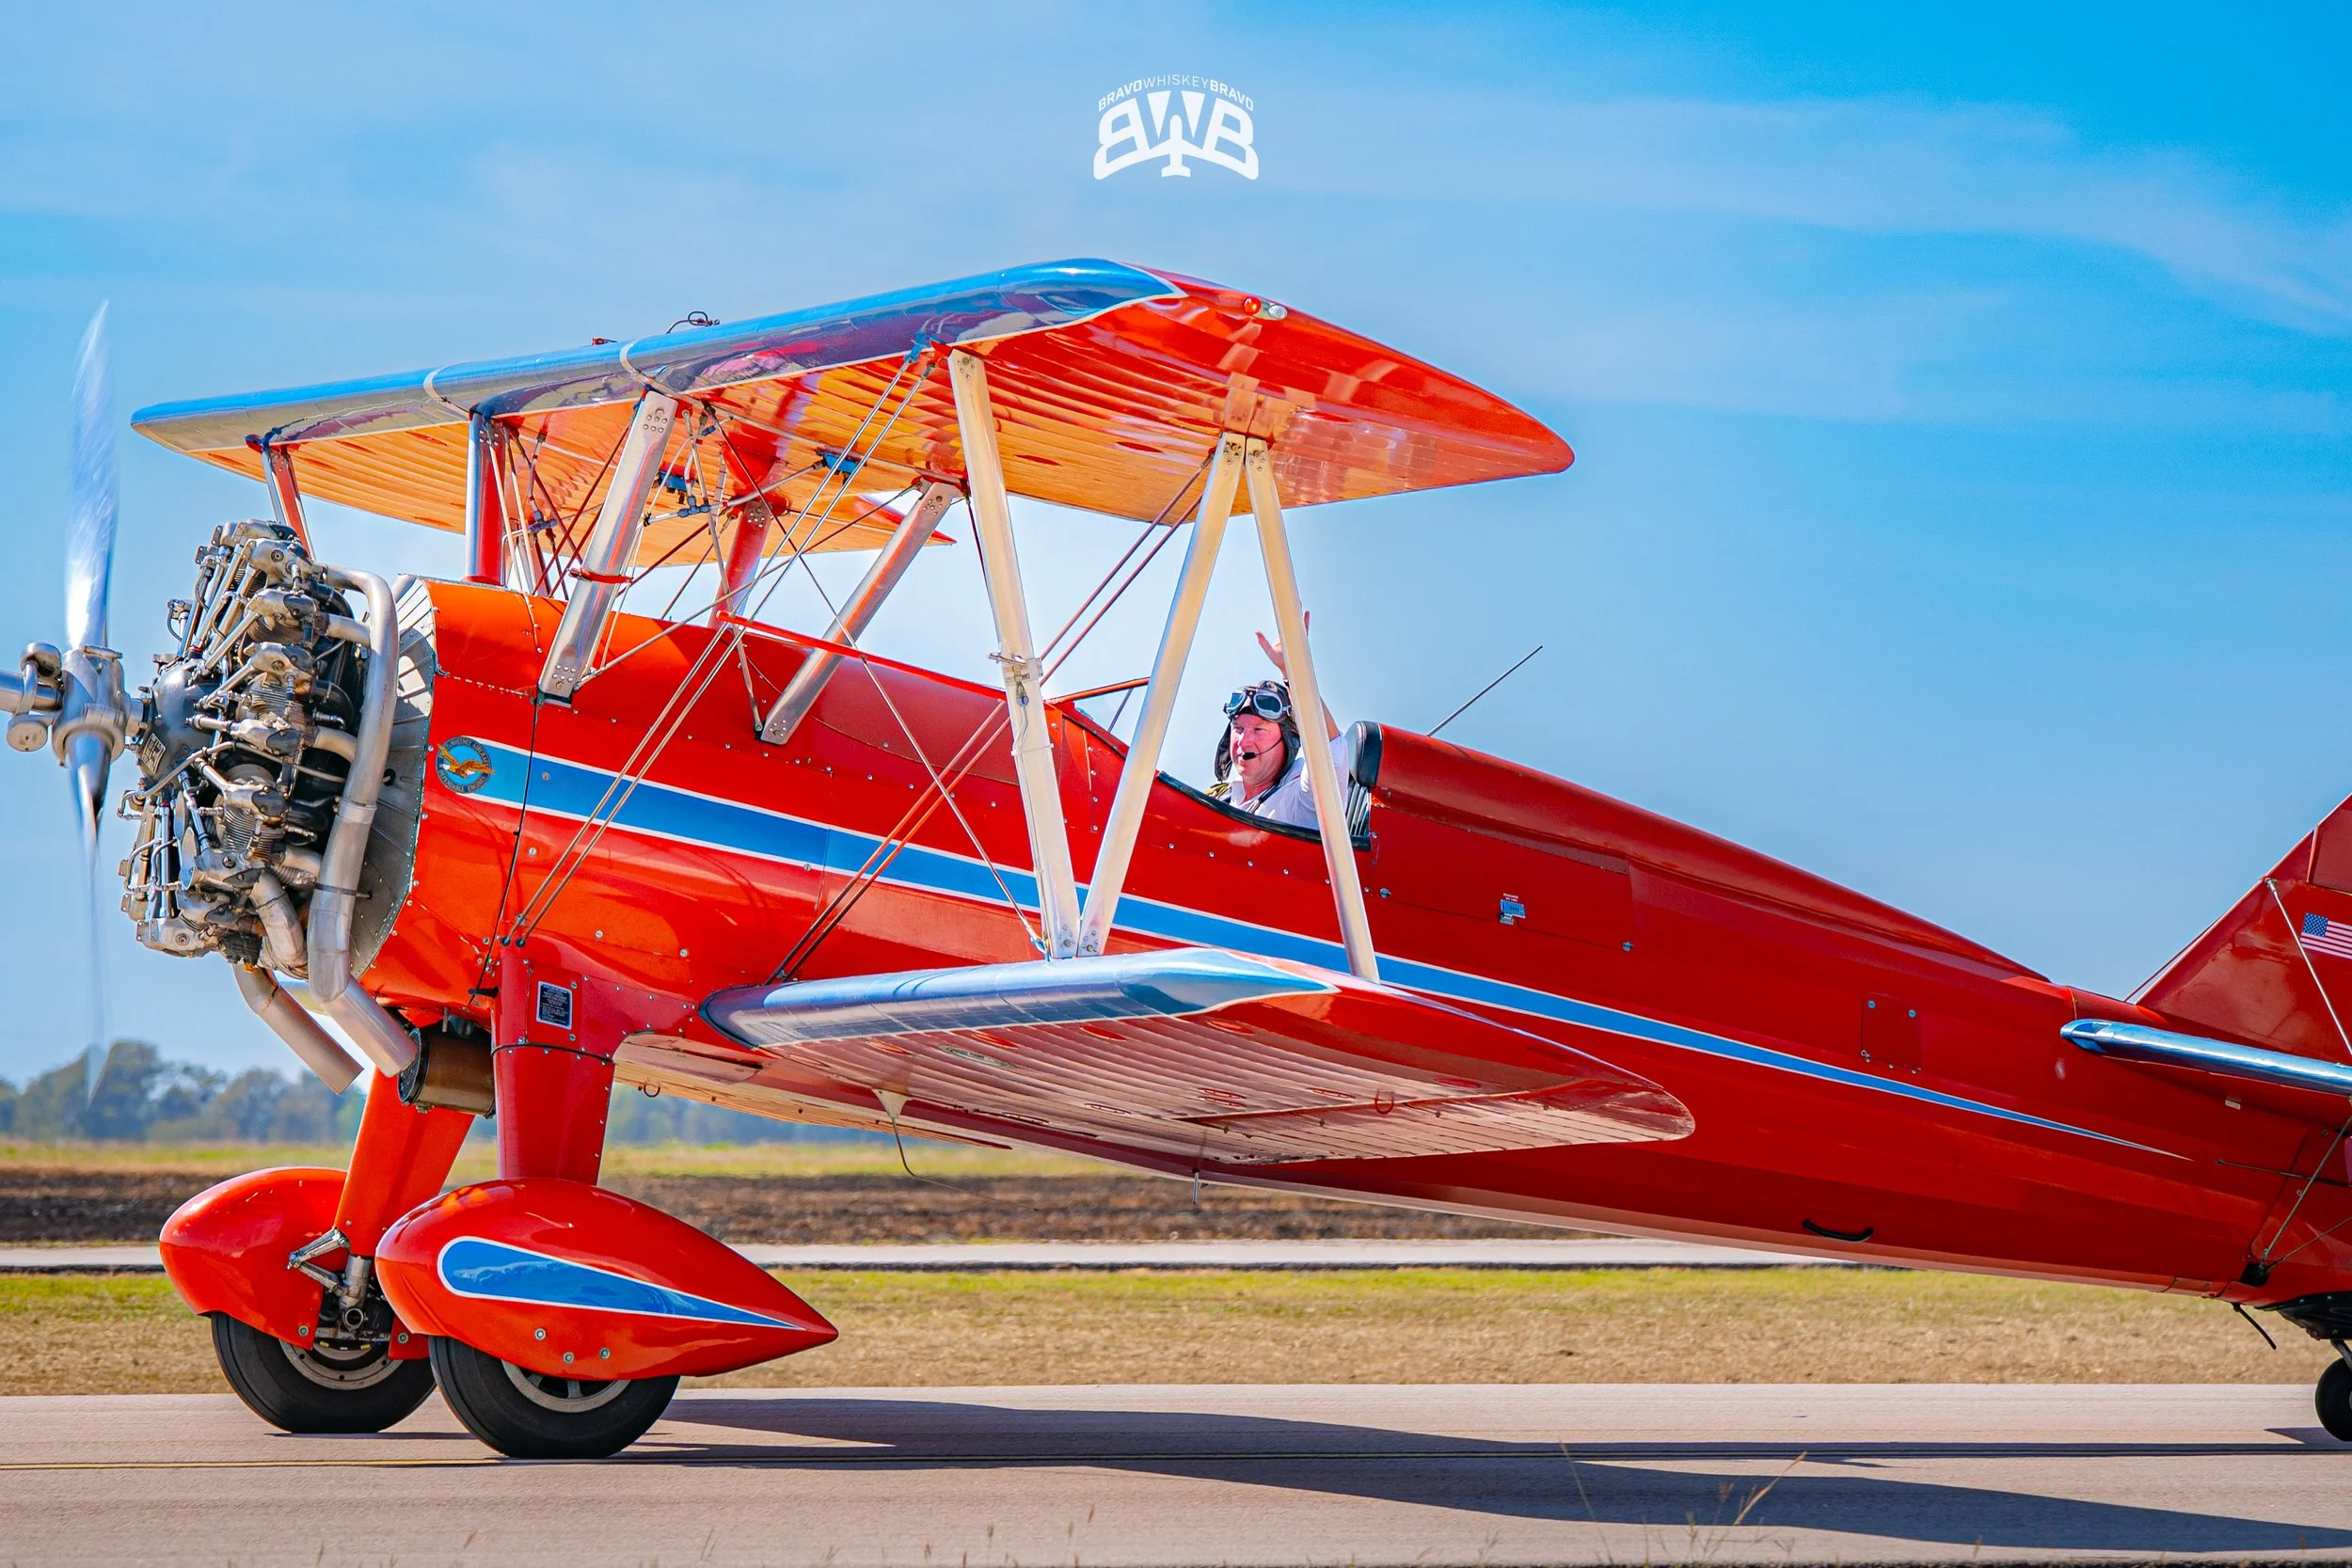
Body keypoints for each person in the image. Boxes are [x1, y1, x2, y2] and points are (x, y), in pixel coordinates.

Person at [1208, 626, 1346, 830]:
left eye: (1259, 730)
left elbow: (1329, 751)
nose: (1244, 742)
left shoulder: (1298, 802)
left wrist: (1294, 671)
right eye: (1238, 729)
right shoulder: (1219, 798)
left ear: (1289, 739)